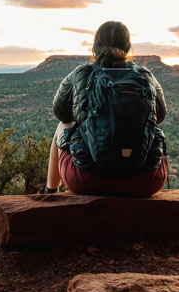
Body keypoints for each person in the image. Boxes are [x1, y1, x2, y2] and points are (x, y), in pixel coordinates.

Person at [42, 20, 168, 197]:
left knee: (62, 126)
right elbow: (160, 116)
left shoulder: (81, 73)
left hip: (89, 180)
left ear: (95, 47)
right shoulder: (145, 76)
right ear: (128, 47)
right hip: (146, 180)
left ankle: (50, 192)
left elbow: (61, 113)